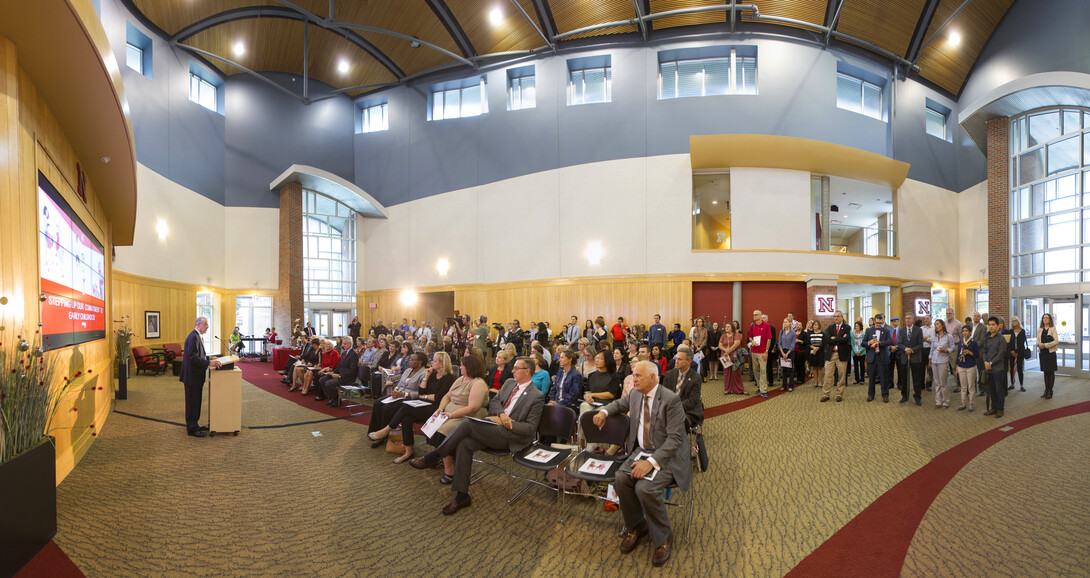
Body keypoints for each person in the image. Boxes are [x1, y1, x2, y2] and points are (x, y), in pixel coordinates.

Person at [410, 357, 546, 515]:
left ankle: (435, 455)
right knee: (465, 443)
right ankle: (462, 496)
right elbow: (494, 402)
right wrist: (502, 414)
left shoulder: (536, 396)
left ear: (527, 371)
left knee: (467, 424)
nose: (512, 371)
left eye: (516, 368)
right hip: (494, 426)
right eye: (513, 368)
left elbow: (530, 429)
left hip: (511, 435)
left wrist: (505, 423)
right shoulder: (509, 383)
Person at [593, 361, 690, 568]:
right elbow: (620, 404)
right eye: (633, 374)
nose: (633, 379)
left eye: (638, 376)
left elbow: (676, 440)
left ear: (653, 378)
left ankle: (663, 538)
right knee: (620, 479)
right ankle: (638, 526)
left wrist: (651, 463)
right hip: (641, 451)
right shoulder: (636, 394)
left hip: (666, 456)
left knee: (645, 488)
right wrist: (603, 412)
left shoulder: (671, 400)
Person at [374, 352, 458, 464]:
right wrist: (427, 377)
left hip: (437, 407)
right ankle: (408, 451)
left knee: (406, 407)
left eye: (435, 361)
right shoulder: (432, 374)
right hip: (424, 403)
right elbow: (421, 391)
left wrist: (425, 396)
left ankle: (387, 429)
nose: (432, 362)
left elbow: (439, 397)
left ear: (442, 364)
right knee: (406, 418)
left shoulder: (449, 378)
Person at [366, 351, 428, 448]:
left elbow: (420, 393)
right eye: (410, 359)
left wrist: (404, 394)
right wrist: (395, 391)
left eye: (413, 360)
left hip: (408, 398)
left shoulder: (424, 373)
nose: (410, 361)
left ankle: (382, 435)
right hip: (398, 395)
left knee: (387, 409)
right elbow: (399, 384)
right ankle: (374, 431)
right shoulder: (408, 370)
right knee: (378, 403)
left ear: (420, 362)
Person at [180, 317, 221, 437]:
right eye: (206, 324)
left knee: (196, 402)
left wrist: (208, 358)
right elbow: (193, 357)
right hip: (192, 376)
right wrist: (209, 363)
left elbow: (198, 355)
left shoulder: (197, 336)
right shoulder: (193, 337)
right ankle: (192, 429)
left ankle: (194, 424)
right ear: (198, 325)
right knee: (192, 403)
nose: (207, 327)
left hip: (195, 376)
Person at [661, 347, 703, 429]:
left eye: (680, 359)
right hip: (669, 408)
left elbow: (692, 401)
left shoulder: (696, 378)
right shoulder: (669, 374)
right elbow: (663, 394)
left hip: (687, 410)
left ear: (688, 361)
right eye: (676, 358)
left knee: (676, 422)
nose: (676, 361)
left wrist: (675, 407)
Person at [319, 337, 362, 406]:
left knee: (329, 383)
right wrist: (332, 372)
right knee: (322, 379)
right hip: (340, 375)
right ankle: (331, 398)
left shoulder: (354, 354)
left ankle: (336, 400)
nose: (343, 345)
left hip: (347, 378)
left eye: (345, 344)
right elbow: (339, 366)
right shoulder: (344, 353)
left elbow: (352, 370)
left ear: (350, 344)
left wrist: (339, 375)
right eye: (343, 344)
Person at [981, 316, 1008, 418]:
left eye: (993, 325)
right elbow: (983, 352)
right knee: (991, 390)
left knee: (998, 389)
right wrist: (985, 362)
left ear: (998, 326)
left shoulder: (1001, 339)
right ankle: (994, 408)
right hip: (988, 368)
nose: (991, 327)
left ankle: (1000, 409)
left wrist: (991, 363)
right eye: (990, 325)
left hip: (998, 368)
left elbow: (1001, 354)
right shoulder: (987, 338)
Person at [821, 311, 851, 402]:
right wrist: (839, 339)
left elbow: (846, 339)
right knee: (827, 375)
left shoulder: (847, 327)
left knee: (841, 375)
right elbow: (827, 340)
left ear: (842, 317)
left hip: (842, 354)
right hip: (831, 354)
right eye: (834, 316)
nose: (836, 318)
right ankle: (826, 394)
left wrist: (835, 338)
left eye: (838, 316)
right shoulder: (830, 328)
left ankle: (839, 394)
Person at [895, 313, 924, 405]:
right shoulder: (902, 330)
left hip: (915, 358)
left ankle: (917, 397)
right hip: (904, 358)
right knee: (904, 378)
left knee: (916, 379)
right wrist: (905, 349)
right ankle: (904, 396)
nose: (907, 320)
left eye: (909, 318)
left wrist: (912, 350)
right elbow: (899, 343)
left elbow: (920, 344)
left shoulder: (918, 330)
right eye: (906, 318)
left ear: (913, 319)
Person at [863, 314, 892, 402]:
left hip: (882, 356)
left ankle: (885, 395)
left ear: (883, 321)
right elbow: (863, 343)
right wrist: (869, 342)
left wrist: (880, 343)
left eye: (880, 323)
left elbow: (890, 341)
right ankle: (871, 395)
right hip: (872, 357)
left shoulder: (886, 330)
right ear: (874, 321)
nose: (878, 325)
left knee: (883, 377)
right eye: (877, 323)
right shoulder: (868, 330)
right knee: (871, 377)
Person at [746, 310, 773, 398]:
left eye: (756, 315)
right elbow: (749, 336)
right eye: (753, 315)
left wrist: (766, 351)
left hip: (762, 352)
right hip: (754, 351)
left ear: (761, 316)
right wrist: (752, 341)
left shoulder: (766, 325)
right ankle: (759, 386)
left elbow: (769, 339)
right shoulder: (753, 325)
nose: (754, 316)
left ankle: (764, 390)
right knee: (755, 371)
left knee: (763, 371)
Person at [929, 320, 955, 409]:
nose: (936, 326)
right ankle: (938, 401)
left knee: (943, 383)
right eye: (935, 325)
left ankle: (946, 402)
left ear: (942, 325)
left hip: (943, 361)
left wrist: (945, 350)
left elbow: (952, 347)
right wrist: (930, 359)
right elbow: (932, 349)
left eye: (938, 324)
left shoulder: (948, 336)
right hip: (934, 361)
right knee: (937, 383)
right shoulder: (934, 337)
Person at [955, 325, 979, 411]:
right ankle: (963, 403)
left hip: (970, 366)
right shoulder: (961, 342)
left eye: (966, 331)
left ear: (970, 332)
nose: (964, 332)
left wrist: (969, 352)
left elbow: (977, 355)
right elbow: (958, 355)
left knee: (971, 386)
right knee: (963, 386)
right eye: (963, 331)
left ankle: (971, 404)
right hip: (961, 366)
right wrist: (957, 366)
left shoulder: (973, 342)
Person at [719, 322, 745, 395]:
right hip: (725, 356)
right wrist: (726, 351)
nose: (726, 328)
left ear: (732, 328)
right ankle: (728, 389)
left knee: (736, 373)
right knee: (726, 373)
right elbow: (720, 345)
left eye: (728, 327)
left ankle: (739, 389)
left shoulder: (737, 335)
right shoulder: (723, 336)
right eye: (726, 327)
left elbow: (736, 344)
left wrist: (728, 351)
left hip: (735, 356)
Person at [1037, 313, 1058, 399]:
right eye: (1044, 318)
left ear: (1050, 320)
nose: (1045, 319)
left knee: (1050, 372)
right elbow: (1037, 341)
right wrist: (1039, 344)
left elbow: (1056, 341)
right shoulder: (1040, 329)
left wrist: (1045, 345)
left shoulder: (1053, 328)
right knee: (1045, 372)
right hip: (1043, 353)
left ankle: (1050, 391)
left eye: (1047, 318)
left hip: (1050, 353)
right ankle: (1046, 390)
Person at [1008, 317, 1027, 391]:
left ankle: (1021, 385)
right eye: (1012, 321)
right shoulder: (1010, 331)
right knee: (1012, 369)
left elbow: (1022, 342)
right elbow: (1009, 342)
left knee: (1019, 369)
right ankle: (1012, 384)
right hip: (1011, 353)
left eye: (1015, 321)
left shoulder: (1022, 331)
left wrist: (1017, 352)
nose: (1014, 322)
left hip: (1020, 353)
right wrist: (1012, 351)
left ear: (1018, 322)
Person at [777, 319, 796, 393]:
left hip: (790, 352)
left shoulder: (793, 332)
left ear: (790, 323)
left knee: (790, 370)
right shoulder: (781, 332)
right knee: (783, 369)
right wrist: (782, 353)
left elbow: (793, 344)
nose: (785, 323)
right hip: (782, 351)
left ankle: (791, 386)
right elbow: (779, 343)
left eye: (786, 322)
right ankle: (784, 385)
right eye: (784, 322)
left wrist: (787, 354)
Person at [808, 320, 825, 389]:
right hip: (813, 352)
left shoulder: (822, 334)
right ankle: (815, 382)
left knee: (820, 367)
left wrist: (818, 348)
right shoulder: (810, 334)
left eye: (816, 324)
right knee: (814, 367)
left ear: (819, 326)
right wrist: (813, 347)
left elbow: (824, 343)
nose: (815, 326)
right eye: (814, 324)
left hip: (820, 352)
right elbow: (808, 343)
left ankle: (820, 382)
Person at [850, 320, 866, 385]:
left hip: (862, 352)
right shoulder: (853, 335)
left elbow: (864, 344)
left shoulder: (864, 334)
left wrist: (859, 351)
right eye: (855, 326)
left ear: (860, 327)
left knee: (862, 366)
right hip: (855, 353)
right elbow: (852, 344)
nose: (856, 327)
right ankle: (857, 379)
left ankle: (862, 379)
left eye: (858, 326)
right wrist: (855, 351)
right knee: (856, 367)